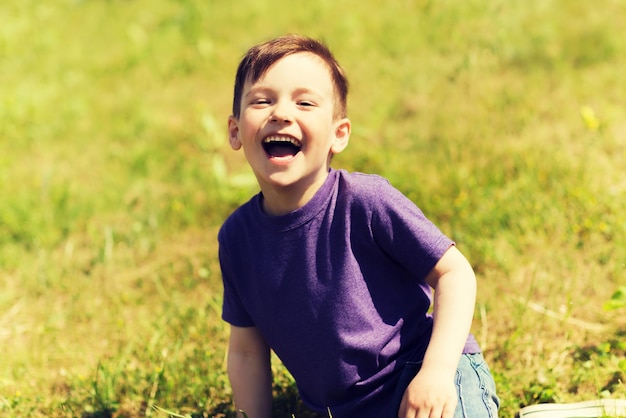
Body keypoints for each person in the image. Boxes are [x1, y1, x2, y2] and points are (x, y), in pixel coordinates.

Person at [218, 34, 500, 418]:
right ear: (235, 131)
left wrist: (436, 372)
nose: (281, 113)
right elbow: (247, 350)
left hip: (421, 371)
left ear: (339, 134)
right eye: (263, 100)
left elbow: (455, 273)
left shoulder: (365, 201)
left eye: (304, 102)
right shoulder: (238, 240)